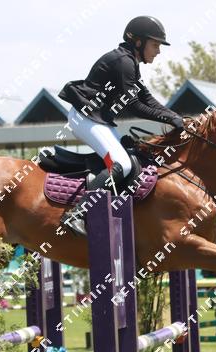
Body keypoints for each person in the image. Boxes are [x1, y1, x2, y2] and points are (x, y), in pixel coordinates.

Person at [57, 16, 184, 236]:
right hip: (85, 118)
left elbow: (146, 98)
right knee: (122, 164)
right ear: (138, 42)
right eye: (155, 45)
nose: (158, 51)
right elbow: (134, 106)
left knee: (131, 157)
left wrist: (174, 116)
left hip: (97, 119)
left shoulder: (129, 61)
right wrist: (168, 119)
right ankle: (76, 214)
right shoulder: (124, 62)